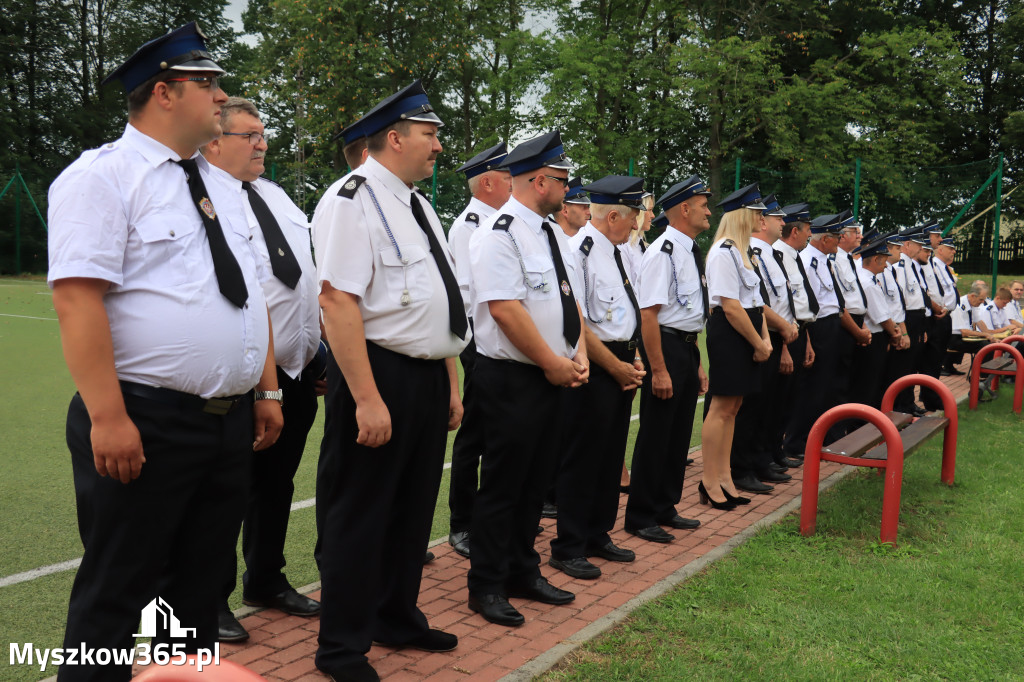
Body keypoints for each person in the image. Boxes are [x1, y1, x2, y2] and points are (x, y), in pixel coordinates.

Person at [47, 23, 283, 682]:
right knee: (116, 595)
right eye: (207, 83)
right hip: (145, 419)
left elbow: (247, 296)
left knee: (199, 600)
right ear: (163, 92)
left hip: (227, 422)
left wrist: (263, 392)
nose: (221, 95)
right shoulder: (104, 177)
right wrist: (108, 417)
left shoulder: (223, 187)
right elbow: (78, 300)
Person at [311, 80, 468, 682]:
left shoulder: (417, 203)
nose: (438, 147)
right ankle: (342, 646)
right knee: (360, 512)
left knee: (411, 507)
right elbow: (338, 302)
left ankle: (397, 615)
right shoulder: (351, 199)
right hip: (379, 377)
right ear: (395, 138)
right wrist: (369, 398)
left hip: (426, 377)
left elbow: (436, 304)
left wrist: (450, 384)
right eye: (430, 135)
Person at [200, 97, 323, 642]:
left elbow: (305, 278)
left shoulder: (277, 195)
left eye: (263, 133)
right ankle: (210, 600)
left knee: (277, 483)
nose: (262, 144)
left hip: (296, 371)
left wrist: (317, 350)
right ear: (214, 140)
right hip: (244, 373)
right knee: (227, 490)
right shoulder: (207, 199)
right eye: (250, 135)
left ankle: (265, 578)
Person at [465, 130, 589, 627]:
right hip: (514, 379)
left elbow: (566, 300)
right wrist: (552, 362)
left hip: (551, 377)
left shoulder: (549, 233)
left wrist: (576, 353)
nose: (567, 187)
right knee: (503, 485)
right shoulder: (498, 233)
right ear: (541, 180)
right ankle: (487, 583)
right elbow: (505, 311)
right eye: (562, 179)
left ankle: (523, 569)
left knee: (536, 484)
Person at [549, 175, 646, 580]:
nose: (636, 226)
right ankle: (568, 545)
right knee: (583, 458)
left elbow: (623, 309)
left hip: (621, 361)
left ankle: (597, 532)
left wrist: (635, 353)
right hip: (596, 366)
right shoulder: (581, 252)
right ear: (611, 216)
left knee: (609, 455)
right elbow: (580, 322)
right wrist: (616, 365)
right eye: (632, 218)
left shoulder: (616, 249)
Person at [624, 175, 712, 543]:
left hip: (686, 347)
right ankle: (641, 515)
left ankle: (665, 505)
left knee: (677, 434)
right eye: (704, 205)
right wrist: (658, 369)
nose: (709, 211)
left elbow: (690, 312)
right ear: (685, 208)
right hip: (666, 347)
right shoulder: (663, 252)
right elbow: (649, 315)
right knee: (658, 433)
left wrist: (697, 363)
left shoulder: (689, 249)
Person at [446, 141, 511, 559]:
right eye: (507, 177)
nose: (512, 183)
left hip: (499, 338)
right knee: (475, 433)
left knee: (500, 430)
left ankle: (492, 517)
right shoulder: (470, 224)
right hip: (478, 338)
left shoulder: (504, 220)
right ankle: (462, 523)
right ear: (486, 182)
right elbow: (474, 296)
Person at [701, 183, 772, 509]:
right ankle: (709, 481)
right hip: (731, 336)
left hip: (749, 335)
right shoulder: (723, 251)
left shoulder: (744, 252)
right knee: (720, 408)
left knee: (733, 409)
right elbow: (729, 306)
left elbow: (756, 303)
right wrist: (758, 342)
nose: (763, 218)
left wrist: (765, 340)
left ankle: (726, 477)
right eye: (757, 212)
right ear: (743, 215)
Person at [730, 194, 799, 494]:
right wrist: (780, 331)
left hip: (773, 336)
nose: (782, 222)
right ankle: (743, 466)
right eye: (775, 217)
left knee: (766, 407)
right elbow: (759, 304)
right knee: (751, 408)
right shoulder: (749, 251)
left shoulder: (767, 253)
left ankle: (759, 460)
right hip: (762, 336)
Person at [774, 203, 818, 465]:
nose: (809, 234)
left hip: (800, 331)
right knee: (779, 399)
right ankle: (773, 453)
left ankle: (778, 452)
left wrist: (807, 338)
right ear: (795, 231)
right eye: (808, 229)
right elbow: (783, 304)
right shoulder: (778, 255)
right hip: (785, 334)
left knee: (791, 397)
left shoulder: (792, 255)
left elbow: (801, 305)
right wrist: (786, 345)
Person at [851, 236, 902, 408]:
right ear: (875, 259)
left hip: (875, 336)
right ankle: (862, 425)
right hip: (874, 338)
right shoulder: (868, 283)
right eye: (884, 261)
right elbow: (881, 317)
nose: (887, 265)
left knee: (871, 383)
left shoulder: (868, 279)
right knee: (868, 385)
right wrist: (895, 333)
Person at [885, 229, 930, 415]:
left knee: (911, 364)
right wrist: (901, 329)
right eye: (918, 245)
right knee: (902, 366)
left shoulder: (911, 265)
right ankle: (901, 405)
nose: (921, 248)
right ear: (907, 245)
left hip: (916, 318)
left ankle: (908, 402)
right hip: (907, 319)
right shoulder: (900, 266)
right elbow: (899, 300)